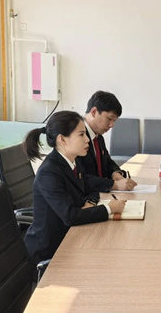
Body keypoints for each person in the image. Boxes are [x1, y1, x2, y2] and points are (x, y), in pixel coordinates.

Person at [23, 110, 127, 264]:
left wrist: (90, 203)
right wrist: (108, 209)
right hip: (50, 250)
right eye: (81, 135)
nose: (87, 140)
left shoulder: (73, 161)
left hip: (72, 237)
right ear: (62, 139)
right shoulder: (49, 172)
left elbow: (90, 187)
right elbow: (70, 216)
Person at [81, 91, 137, 192]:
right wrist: (114, 185)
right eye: (109, 119)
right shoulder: (76, 136)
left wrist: (116, 174)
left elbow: (107, 162)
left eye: (114, 121)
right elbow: (78, 177)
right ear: (94, 112)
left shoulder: (98, 136)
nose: (112, 125)